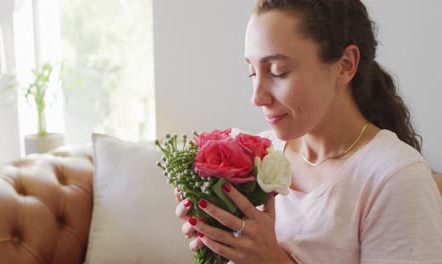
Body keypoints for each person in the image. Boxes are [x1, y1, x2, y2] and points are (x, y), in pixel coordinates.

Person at [175, 0, 442, 263]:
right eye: (252, 73)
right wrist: (216, 244)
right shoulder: (255, 156)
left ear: (346, 64)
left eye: (278, 72)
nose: (257, 98)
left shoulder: (394, 179)